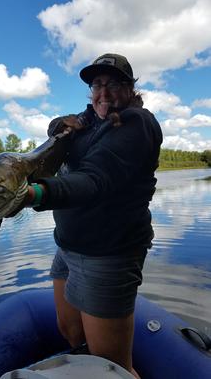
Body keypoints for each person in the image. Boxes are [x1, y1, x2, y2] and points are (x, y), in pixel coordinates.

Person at [25, 53, 163, 378]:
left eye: (113, 84)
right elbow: (58, 130)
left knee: (113, 367)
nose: (104, 92)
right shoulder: (87, 122)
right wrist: (58, 124)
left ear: (129, 88)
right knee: (70, 331)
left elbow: (95, 179)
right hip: (68, 247)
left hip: (108, 254)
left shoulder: (138, 125)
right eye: (97, 84)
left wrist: (36, 193)